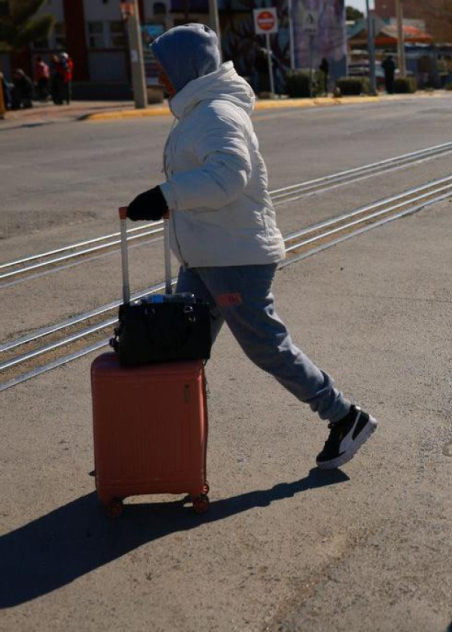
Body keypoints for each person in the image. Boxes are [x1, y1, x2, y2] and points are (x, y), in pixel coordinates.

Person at [124, 24, 377, 470]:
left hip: (235, 258)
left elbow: (227, 178)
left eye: (162, 68)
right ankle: (165, 440)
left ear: (186, 67)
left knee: (266, 347)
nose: (157, 77)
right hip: (207, 256)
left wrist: (167, 195)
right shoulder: (198, 112)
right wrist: (172, 201)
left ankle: (344, 417)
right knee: (179, 350)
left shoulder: (217, 114)